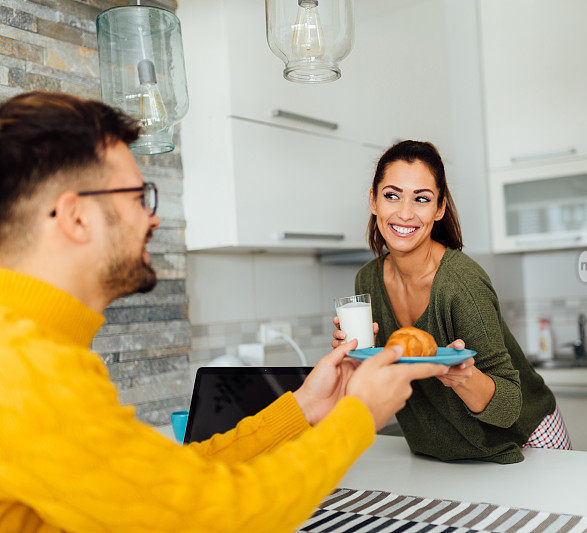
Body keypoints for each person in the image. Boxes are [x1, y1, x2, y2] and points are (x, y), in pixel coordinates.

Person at [0, 92, 449, 532]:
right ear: (77, 218)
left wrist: (303, 407)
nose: (152, 219)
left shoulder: (31, 350)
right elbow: (219, 514)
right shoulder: (31, 368)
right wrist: (359, 415)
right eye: (139, 197)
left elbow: (176, 484)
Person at [332, 140, 572, 464]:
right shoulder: (367, 282)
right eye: (392, 195)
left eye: (421, 199)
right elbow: (386, 377)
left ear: (439, 208)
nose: (405, 212)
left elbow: (509, 405)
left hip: (526, 441)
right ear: (373, 200)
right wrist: (354, 358)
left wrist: (463, 377)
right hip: (441, 455)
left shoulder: (461, 283)